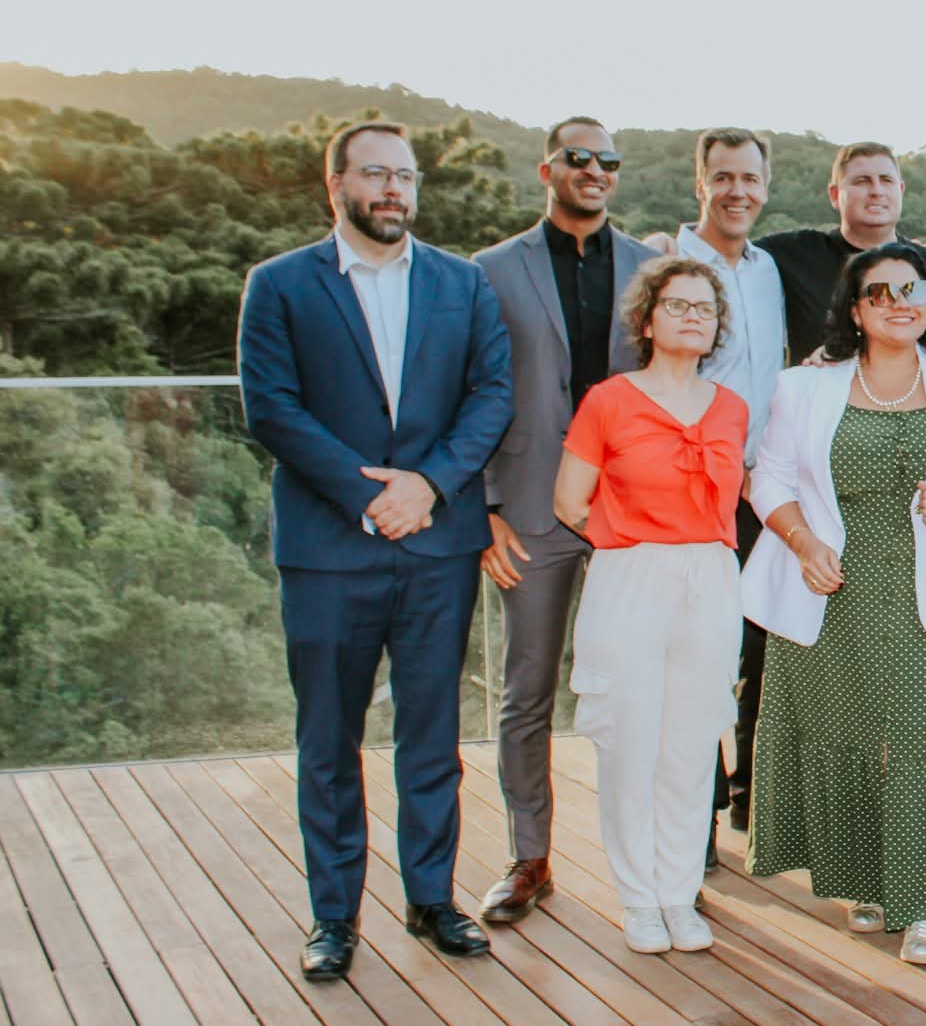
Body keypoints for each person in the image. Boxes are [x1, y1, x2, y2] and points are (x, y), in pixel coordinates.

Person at [238, 121, 512, 980]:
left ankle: (432, 899)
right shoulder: (279, 284)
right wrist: (369, 497)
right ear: (336, 186)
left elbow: (492, 394)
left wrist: (428, 487)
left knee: (432, 735)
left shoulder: (462, 283)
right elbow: (271, 407)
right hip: (327, 550)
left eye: (405, 175)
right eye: (375, 174)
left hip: (437, 543)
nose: (394, 189)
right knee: (328, 741)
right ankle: (333, 917)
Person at [741, 245, 926, 964]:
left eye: (912, 288)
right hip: (832, 589)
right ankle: (866, 881)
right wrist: (802, 543)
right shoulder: (805, 385)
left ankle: (925, 901)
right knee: (850, 731)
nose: (900, 302)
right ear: (856, 310)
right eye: (881, 292)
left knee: (925, 737)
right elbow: (768, 478)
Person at [473, 118, 658, 924]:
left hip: (633, 508)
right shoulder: (490, 270)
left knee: (644, 685)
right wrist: (484, 507)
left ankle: (658, 854)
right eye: (578, 157)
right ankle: (529, 858)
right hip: (530, 508)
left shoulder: (651, 268)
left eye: (606, 160)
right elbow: (471, 388)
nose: (594, 170)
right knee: (528, 689)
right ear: (548, 169)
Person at [553, 258, 746, 953]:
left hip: (710, 578)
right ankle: (638, 899)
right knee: (630, 742)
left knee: (691, 744)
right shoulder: (608, 400)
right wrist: (630, 540)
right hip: (631, 576)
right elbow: (569, 502)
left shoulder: (731, 408)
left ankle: (678, 894)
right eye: (678, 305)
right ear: (647, 319)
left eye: (705, 308)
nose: (693, 317)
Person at [645, 128, 789, 843]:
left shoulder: (768, 270)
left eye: (750, 178)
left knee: (763, 652)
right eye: (724, 177)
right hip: (693, 490)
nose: (738, 191)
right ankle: (691, 825)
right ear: (700, 183)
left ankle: (749, 800)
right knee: (694, 658)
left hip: (763, 491)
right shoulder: (664, 267)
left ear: (765, 187)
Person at [759, 142, 926, 361]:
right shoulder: (792, 255)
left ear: (901, 190)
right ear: (834, 195)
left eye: (886, 180)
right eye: (862, 181)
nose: (877, 191)